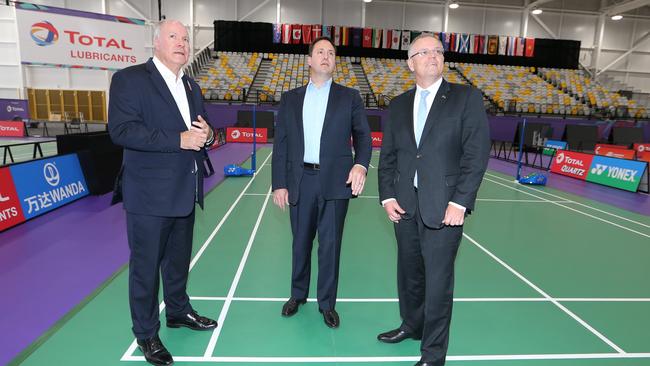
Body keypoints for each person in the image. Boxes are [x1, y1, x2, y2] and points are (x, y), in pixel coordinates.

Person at [108, 19, 217, 366]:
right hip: (149, 196)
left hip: (184, 190)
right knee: (145, 268)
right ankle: (146, 333)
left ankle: (179, 311)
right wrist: (179, 139)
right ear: (156, 42)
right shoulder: (129, 80)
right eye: (174, 36)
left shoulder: (191, 87)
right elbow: (122, 130)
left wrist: (209, 136)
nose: (182, 43)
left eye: (186, 38)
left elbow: (199, 132)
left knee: (177, 263)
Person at [377, 33, 490, 366]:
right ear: (410, 63)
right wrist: (386, 196)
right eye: (424, 51)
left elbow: (476, 153)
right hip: (405, 205)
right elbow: (389, 157)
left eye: (438, 51)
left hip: (445, 208)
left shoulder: (466, 98)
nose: (433, 56)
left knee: (439, 283)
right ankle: (412, 326)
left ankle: (433, 354)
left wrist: (460, 201)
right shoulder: (397, 105)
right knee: (409, 274)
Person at [272, 36, 372, 328]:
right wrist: (280, 183)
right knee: (300, 243)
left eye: (331, 52)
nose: (326, 56)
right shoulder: (290, 98)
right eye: (320, 51)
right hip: (301, 180)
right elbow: (282, 145)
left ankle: (327, 303)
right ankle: (297, 295)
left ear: (334, 61)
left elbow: (364, 137)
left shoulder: (350, 97)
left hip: (335, 183)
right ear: (309, 60)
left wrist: (360, 165)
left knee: (330, 245)